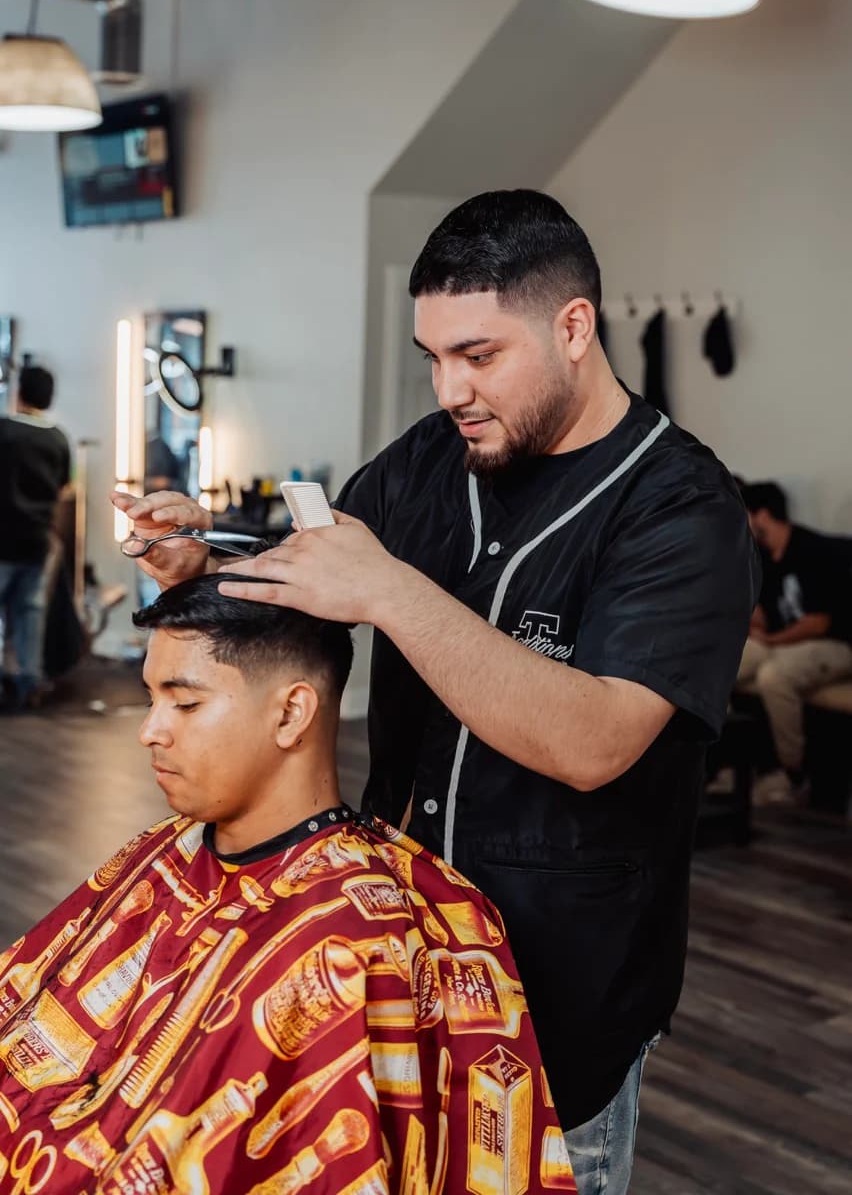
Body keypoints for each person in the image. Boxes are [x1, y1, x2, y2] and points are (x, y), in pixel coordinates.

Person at [112, 189, 758, 1195]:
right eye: (434, 355)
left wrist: (392, 589)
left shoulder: (680, 511)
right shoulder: (428, 460)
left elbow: (597, 738)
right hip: (397, 964)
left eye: (479, 354)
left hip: (557, 1009)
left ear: (574, 327)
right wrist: (200, 556)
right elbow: (316, 586)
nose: (449, 387)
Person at [0, 573, 574, 1195]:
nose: (151, 731)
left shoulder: (357, 934)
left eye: (185, 703)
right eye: (150, 700)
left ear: (291, 712)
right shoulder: (165, 849)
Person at [737, 481, 852, 798]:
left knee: (774, 676)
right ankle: (727, 766)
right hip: (785, 642)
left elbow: (818, 622)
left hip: (835, 644)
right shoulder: (765, 556)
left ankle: (792, 774)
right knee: (723, 660)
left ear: (761, 515)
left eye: (744, 514)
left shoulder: (812, 549)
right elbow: (763, 615)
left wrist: (772, 639)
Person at [0, 365, 71, 711]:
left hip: (2, 537)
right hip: (36, 540)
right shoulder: (57, 437)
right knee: (30, 613)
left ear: (20, 392)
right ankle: (30, 681)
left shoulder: (4, 431)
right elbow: (63, 489)